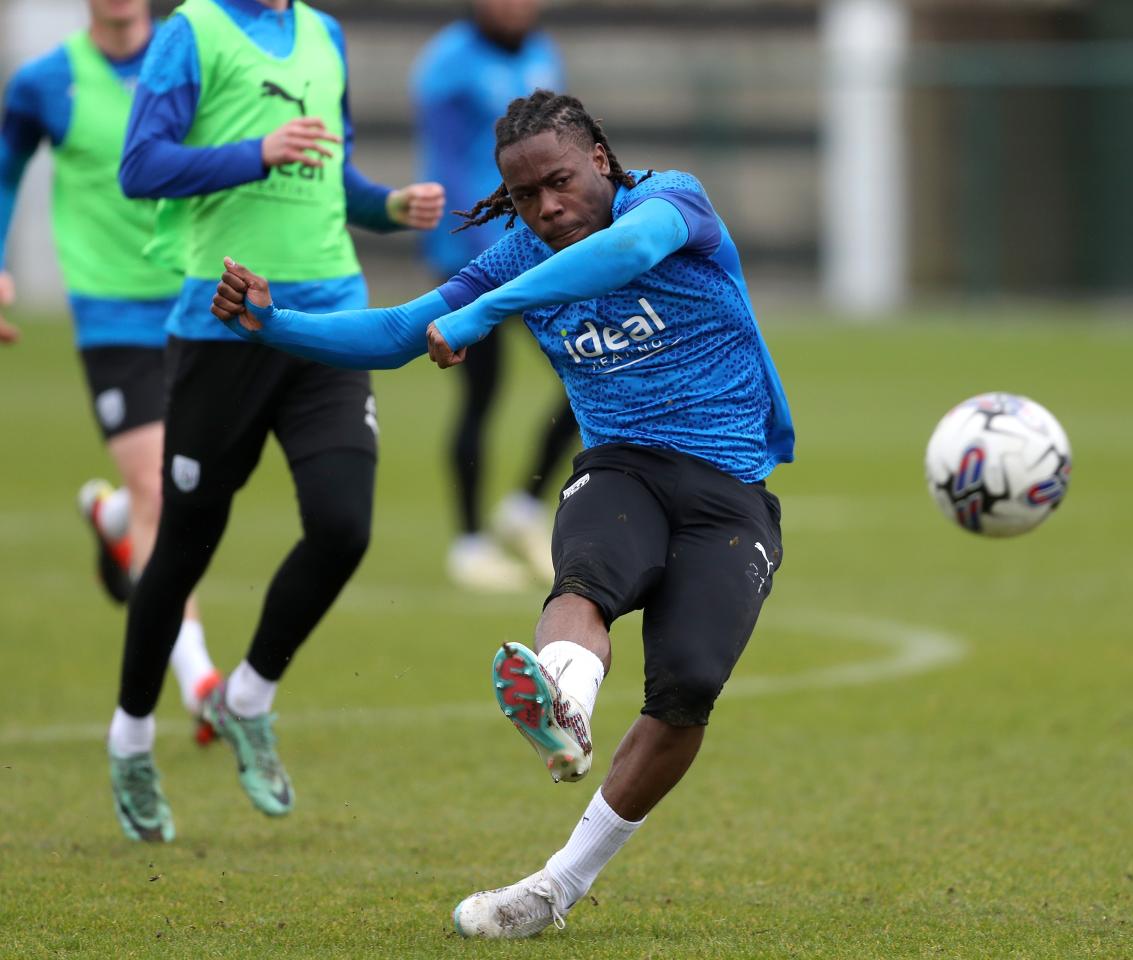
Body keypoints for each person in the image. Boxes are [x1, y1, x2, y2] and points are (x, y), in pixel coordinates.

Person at [211, 89, 793, 938]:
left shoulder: (671, 202)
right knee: (588, 577)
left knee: (689, 690)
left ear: (599, 157)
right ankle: (563, 707)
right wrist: (272, 324)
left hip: (729, 488)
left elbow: (627, 251)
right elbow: (404, 330)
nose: (546, 208)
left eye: (557, 182)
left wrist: (485, 312)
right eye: (524, 196)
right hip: (620, 465)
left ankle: (554, 890)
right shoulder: (518, 253)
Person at [105, 0, 445, 843]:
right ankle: (132, 741)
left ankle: (249, 695)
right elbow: (140, 166)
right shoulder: (193, 30)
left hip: (328, 319)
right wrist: (254, 151)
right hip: (222, 324)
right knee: (183, 545)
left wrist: (391, 206)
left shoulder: (325, 35)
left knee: (343, 525)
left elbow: (330, 174)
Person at [0, 0, 219, 740]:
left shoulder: (193, 58)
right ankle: (200, 682)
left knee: (189, 483)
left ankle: (112, 515)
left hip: (196, 300)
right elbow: (6, 171)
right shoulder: (45, 83)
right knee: (162, 487)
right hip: (111, 316)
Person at [411, 0, 576, 591]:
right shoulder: (448, 62)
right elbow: (448, 162)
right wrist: (478, 244)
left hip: (537, 248)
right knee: (481, 395)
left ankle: (524, 507)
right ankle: (469, 543)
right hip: (474, 257)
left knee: (588, 370)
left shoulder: (542, 53)